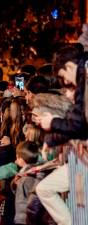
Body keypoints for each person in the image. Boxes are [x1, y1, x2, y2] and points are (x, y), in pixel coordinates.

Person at [35, 44, 88, 225]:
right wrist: (50, 139)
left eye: (63, 76)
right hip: (80, 162)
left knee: (82, 210)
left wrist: (52, 123)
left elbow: (77, 124)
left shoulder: (85, 81)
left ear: (70, 67)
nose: (66, 84)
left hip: (83, 162)